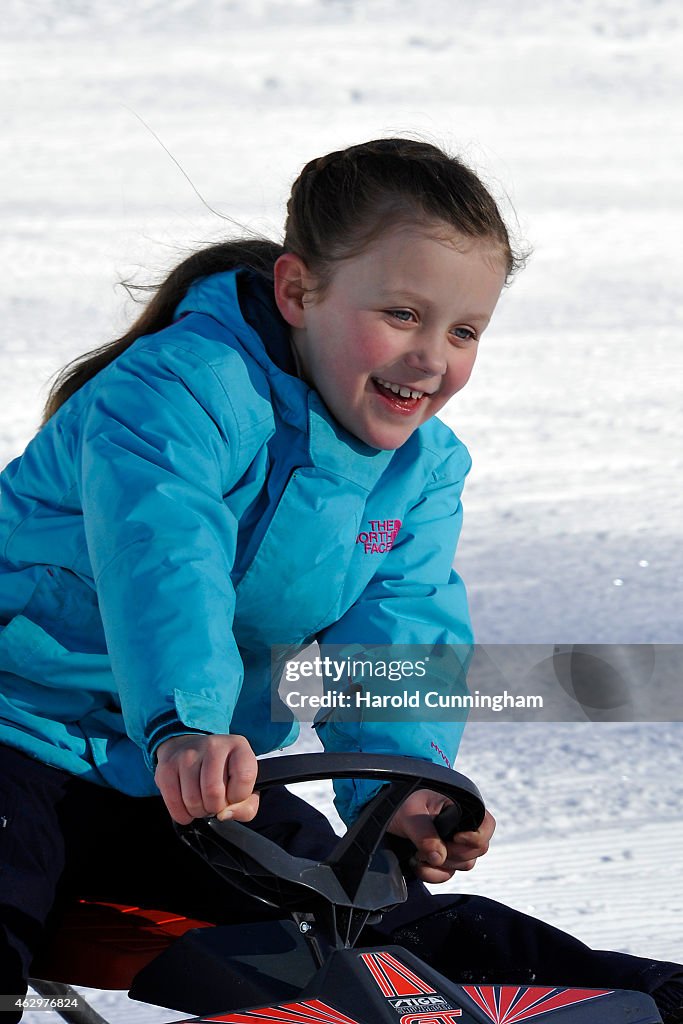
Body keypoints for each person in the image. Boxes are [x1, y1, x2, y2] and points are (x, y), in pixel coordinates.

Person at [0, 138, 681, 1021]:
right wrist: (189, 724)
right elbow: (164, 559)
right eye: (402, 313)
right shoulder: (176, 393)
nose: (431, 357)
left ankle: (647, 1001)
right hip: (28, 735)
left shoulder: (421, 471)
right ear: (295, 292)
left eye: (463, 330)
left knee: (366, 917)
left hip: (183, 778)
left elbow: (394, 632)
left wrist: (406, 789)